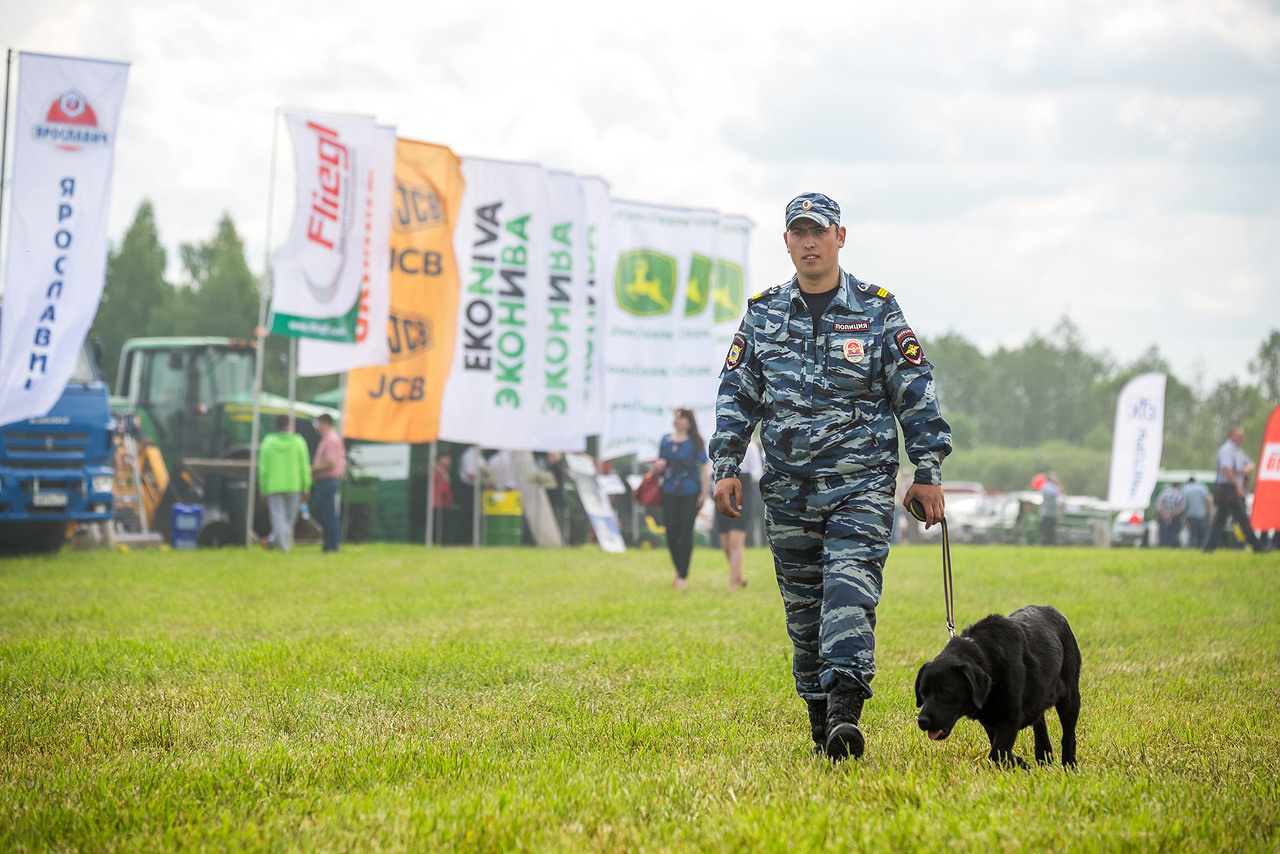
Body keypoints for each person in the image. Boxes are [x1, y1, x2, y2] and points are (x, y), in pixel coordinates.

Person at [710, 192, 952, 761]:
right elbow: (736, 393)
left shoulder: (877, 309)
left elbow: (914, 392)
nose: (809, 242)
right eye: (798, 232)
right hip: (788, 494)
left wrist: (927, 470)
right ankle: (824, 729)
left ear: (840, 237)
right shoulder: (763, 312)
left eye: (819, 231)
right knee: (804, 619)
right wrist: (724, 464)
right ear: (787, 241)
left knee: (848, 597)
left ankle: (846, 713)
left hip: (860, 488)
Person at [658, 407, 711, 590]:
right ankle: (678, 570)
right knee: (671, 532)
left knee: (685, 532)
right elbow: (662, 464)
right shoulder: (665, 440)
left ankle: (682, 574)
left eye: (681, 417)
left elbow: (704, 467)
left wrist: (704, 493)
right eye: (675, 417)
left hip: (690, 492)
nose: (677, 420)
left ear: (689, 421)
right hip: (669, 491)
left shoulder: (695, 442)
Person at [1203, 425, 1267, 553]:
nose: (1242, 437)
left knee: (1219, 521)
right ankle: (1257, 548)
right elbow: (1226, 469)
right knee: (1242, 520)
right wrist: (1239, 486)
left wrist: (1243, 469)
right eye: (1240, 435)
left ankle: (1208, 549)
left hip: (1231, 489)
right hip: (1228, 490)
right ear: (1231, 435)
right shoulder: (1227, 450)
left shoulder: (1238, 451)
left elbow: (1250, 464)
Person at [257, 413, 312, 552]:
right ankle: (283, 547)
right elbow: (304, 467)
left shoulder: (268, 443)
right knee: (289, 519)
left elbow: (262, 468)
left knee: (278, 518)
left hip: (274, 485)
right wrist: (306, 486)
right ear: (289, 425)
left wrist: (263, 488)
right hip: (294, 484)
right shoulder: (299, 442)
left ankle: (273, 542)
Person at [310, 413, 345, 553]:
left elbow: (330, 464)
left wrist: (312, 471)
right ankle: (329, 544)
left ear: (326, 423)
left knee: (329, 514)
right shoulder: (327, 439)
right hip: (325, 481)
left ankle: (332, 546)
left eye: (318, 423)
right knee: (326, 514)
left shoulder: (330, 440)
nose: (316, 427)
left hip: (328, 481)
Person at [1182, 475, 1212, 549]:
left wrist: (1185, 516)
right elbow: (1207, 501)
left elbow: (1184, 504)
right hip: (1202, 514)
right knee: (1204, 534)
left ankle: (1193, 548)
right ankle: (1206, 548)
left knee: (1193, 534)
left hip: (1191, 515)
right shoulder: (1202, 487)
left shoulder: (1186, 489)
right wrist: (1208, 513)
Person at [1154, 480, 1186, 548]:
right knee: (1173, 534)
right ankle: (1171, 547)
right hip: (1175, 517)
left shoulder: (1164, 493)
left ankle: (1163, 547)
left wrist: (1165, 514)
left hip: (1163, 516)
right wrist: (1171, 514)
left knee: (1163, 534)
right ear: (1178, 486)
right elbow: (1182, 508)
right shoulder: (1180, 494)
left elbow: (1159, 506)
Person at [431, 451, 453, 545]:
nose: (448, 460)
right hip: (440, 503)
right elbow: (444, 489)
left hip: (439, 502)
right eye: (446, 458)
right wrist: (449, 500)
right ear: (440, 459)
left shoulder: (440, 470)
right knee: (441, 527)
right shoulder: (440, 471)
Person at [1040, 472, 1062, 545]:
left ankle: (1049, 543)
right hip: (1048, 513)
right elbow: (1056, 492)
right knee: (1048, 530)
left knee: (1051, 529)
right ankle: (1048, 543)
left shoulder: (1049, 486)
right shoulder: (1048, 487)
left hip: (1051, 512)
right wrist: (1057, 484)